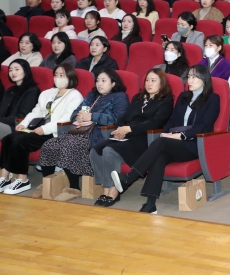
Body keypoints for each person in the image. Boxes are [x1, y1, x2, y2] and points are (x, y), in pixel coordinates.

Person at [112, 65, 219, 214]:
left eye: (194, 77)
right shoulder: (183, 96)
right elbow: (172, 120)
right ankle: (150, 204)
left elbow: (204, 125)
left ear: (204, 79)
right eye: (189, 77)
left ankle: (129, 178)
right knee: (160, 157)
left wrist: (180, 136)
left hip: (196, 143)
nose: (190, 80)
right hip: (175, 142)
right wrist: (166, 132)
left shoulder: (213, 98)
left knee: (161, 143)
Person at [37, 70, 129, 201]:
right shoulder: (92, 95)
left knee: (69, 146)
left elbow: (117, 118)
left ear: (113, 83)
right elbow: (75, 112)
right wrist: (78, 117)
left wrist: (92, 116)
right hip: (79, 130)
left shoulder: (120, 96)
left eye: (104, 81)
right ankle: (47, 183)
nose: (99, 84)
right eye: (98, 80)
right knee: (49, 145)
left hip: (99, 133)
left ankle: (74, 187)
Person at [88, 68, 173, 207]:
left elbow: (155, 122)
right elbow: (124, 118)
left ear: (162, 83)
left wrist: (130, 129)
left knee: (109, 151)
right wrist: (119, 129)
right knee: (95, 150)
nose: (149, 83)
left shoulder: (166, 100)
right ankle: (106, 189)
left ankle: (114, 191)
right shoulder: (138, 98)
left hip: (145, 139)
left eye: (153, 80)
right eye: (147, 80)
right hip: (126, 135)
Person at [0, 64, 82, 195]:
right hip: (37, 128)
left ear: (70, 77)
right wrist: (24, 124)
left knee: (19, 141)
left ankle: (23, 180)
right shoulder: (47, 93)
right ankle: (4, 178)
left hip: (54, 132)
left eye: (62, 75)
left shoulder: (75, 96)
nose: (58, 78)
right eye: (56, 75)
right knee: (9, 138)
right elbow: (35, 112)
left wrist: (44, 128)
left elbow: (66, 118)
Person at [0, 59, 40, 139]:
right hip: (2, 123)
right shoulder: (10, 90)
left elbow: (22, 117)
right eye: (10, 70)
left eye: (17, 69)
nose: (13, 72)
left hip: (16, 127)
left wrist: (1, 120)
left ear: (25, 70)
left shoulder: (32, 91)